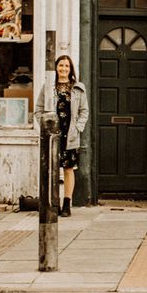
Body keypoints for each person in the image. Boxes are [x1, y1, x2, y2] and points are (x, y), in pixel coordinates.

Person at [33, 55, 90, 217]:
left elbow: (84, 111)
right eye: (61, 66)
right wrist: (45, 127)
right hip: (53, 135)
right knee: (51, 170)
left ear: (70, 69)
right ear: (56, 68)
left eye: (67, 66)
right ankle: (53, 203)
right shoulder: (49, 87)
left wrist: (78, 128)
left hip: (70, 135)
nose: (64, 69)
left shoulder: (78, 88)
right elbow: (38, 109)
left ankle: (67, 204)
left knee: (68, 169)